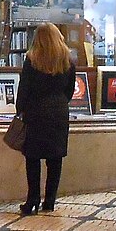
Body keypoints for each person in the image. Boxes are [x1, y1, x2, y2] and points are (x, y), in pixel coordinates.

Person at [15, 22, 77, 215]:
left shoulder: (32, 60)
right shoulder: (67, 60)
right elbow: (69, 90)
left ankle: (32, 200)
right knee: (55, 159)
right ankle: (50, 201)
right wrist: (60, 102)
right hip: (59, 113)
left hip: (35, 113)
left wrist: (20, 109)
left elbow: (24, 89)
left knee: (33, 158)